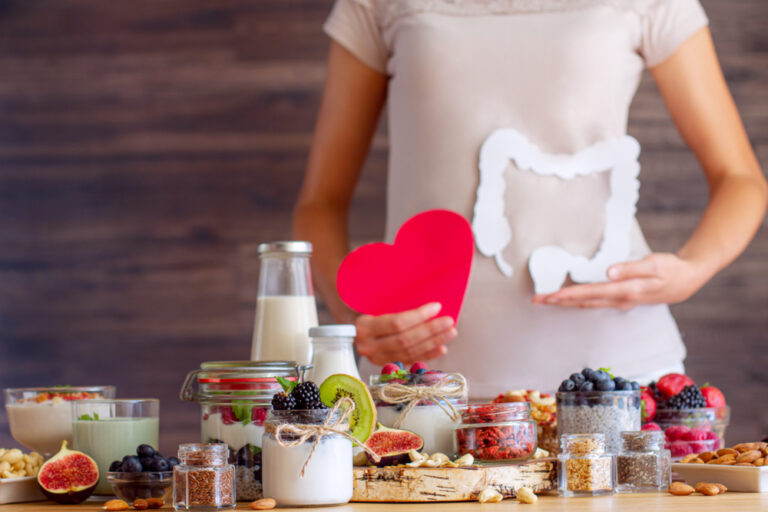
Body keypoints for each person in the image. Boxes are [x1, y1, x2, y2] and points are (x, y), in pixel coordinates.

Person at [293, 0, 767, 395]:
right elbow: (320, 203)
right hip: (422, 393)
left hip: (620, 382)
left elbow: (740, 178)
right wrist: (356, 318)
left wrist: (690, 271)